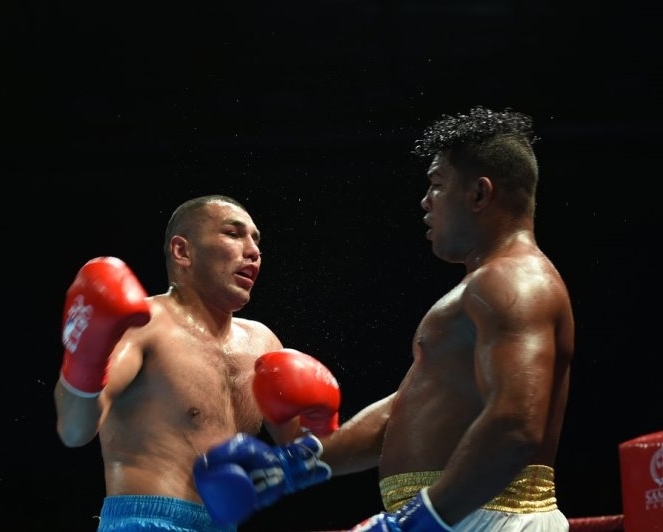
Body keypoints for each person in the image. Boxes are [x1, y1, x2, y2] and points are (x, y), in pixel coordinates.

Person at [196, 106, 575, 531]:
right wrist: (295, 464)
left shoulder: (514, 281)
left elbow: (516, 425)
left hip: (484, 517)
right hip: (457, 515)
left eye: (437, 184)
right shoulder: (483, 288)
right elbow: (401, 412)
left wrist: (420, 519)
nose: (426, 201)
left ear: (479, 194)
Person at [53, 194, 387, 531]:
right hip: (145, 521)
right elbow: (74, 430)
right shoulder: (144, 324)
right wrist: (85, 360)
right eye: (233, 234)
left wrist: (322, 420)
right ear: (182, 251)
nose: (253, 251)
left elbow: (304, 455)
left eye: (256, 241)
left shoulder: (262, 344)